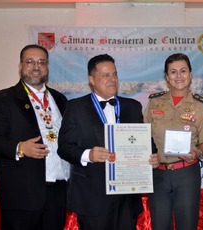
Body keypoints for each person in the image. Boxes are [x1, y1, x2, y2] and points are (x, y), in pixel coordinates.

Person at [57, 54, 159, 230]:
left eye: (115, 74)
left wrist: (153, 157)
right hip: (92, 197)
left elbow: (147, 143)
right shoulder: (76, 108)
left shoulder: (132, 107)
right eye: (105, 75)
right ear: (92, 80)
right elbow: (64, 147)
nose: (112, 79)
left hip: (127, 195)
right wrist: (88, 154)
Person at [0, 44, 70, 230]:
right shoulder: (2, 99)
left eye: (41, 62)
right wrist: (19, 148)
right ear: (20, 66)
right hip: (21, 196)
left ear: (47, 67)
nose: (36, 66)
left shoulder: (60, 99)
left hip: (58, 192)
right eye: (30, 62)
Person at [144, 53, 203, 230]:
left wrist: (197, 152)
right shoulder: (154, 103)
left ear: (190, 74)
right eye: (173, 72)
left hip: (186, 174)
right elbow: (144, 136)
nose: (179, 76)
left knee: (187, 226)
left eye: (183, 71)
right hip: (158, 175)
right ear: (167, 77)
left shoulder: (202, 106)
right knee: (160, 226)